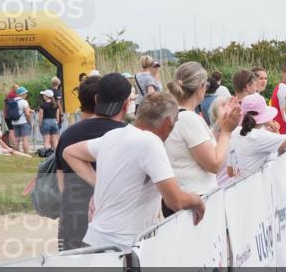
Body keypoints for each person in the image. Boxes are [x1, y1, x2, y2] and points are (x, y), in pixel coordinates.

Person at [63, 92, 206, 249]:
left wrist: (99, 186)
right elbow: (175, 201)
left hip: (95, 239)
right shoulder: (151, 142)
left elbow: (70, 152)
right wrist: (198, 201)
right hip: (125, 245)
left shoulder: (113, 135)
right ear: (168, 121)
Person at [55, 75, 127, 251]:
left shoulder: (67, 135)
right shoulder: (125, 133)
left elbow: (61, 182)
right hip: (112, 218)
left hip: (73, 216)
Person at [163, 62, 242, 213]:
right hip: (195, 198)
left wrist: (220, 123)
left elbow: (201, 143)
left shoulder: (175, 114)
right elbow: (214, 164)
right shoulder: (189, 119)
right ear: (200, 87)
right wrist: (226, 132)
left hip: (183, 196)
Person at [7, 85, 33, 154]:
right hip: (23, 122)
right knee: (25, 139)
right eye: (25, 93)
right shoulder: (24, 102)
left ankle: (16, 153)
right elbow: (27, 114)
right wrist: (29, 122)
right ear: (22, 94)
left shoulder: (12, 101)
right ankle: (26, 153)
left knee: (17, 139)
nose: (26, 94)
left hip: (14, 122)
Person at [38, 89, 60, 155]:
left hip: (46, 122)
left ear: (46, 96)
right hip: (54, 122)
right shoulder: (55, 105)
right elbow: (57, 116)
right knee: (55, 141)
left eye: (44, 95)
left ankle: (48, 154)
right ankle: (56, 154)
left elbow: (41, 116)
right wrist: (57, 122)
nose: (43, 96)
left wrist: (40, 124)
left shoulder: (43, 105)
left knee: (46, 141)